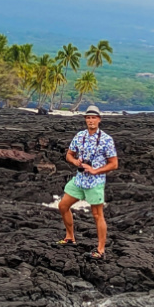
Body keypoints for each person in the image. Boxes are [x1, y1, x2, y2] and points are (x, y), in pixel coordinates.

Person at [57, 106, 118, 259]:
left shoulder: (106, 139)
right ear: (85, 119)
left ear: (99, 119)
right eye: (88, 118)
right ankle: (70, 237)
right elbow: (69, 155)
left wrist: (95, 170)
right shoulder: (80, 136)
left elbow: (114, 164)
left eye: (93, 117)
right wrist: (75, 162)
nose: (91, 120)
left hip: (95, 182)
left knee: (98, 215)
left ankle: (101, 250)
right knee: (63, 206)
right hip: (79, 179)